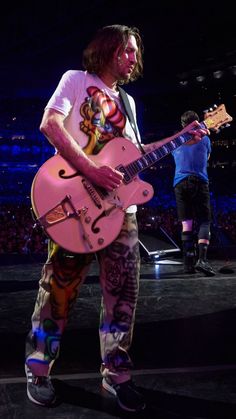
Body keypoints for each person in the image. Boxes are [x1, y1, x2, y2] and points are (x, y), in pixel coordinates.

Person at [25, 24, 209, 413]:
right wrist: (91, 170)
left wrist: (181, 137)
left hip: (121, 214)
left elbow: (135, 152)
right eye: (126, 50)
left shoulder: (128, 103)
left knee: (123, 299)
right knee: (57, 289)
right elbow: (50, 125)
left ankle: (116, 376)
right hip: (77, 205)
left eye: (135, 52)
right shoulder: (75, 81)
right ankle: (38, 370)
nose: (133, 58)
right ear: (107, 49)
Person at [171, 110, 215, 276]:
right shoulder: (205, 138)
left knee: (186, 223)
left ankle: (188, 264)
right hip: (199, 180)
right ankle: (202, 260)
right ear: (197, 122)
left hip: (180, 183)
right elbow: (207, 158)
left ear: (183, 126)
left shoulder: (175, 141)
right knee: (204, 221)